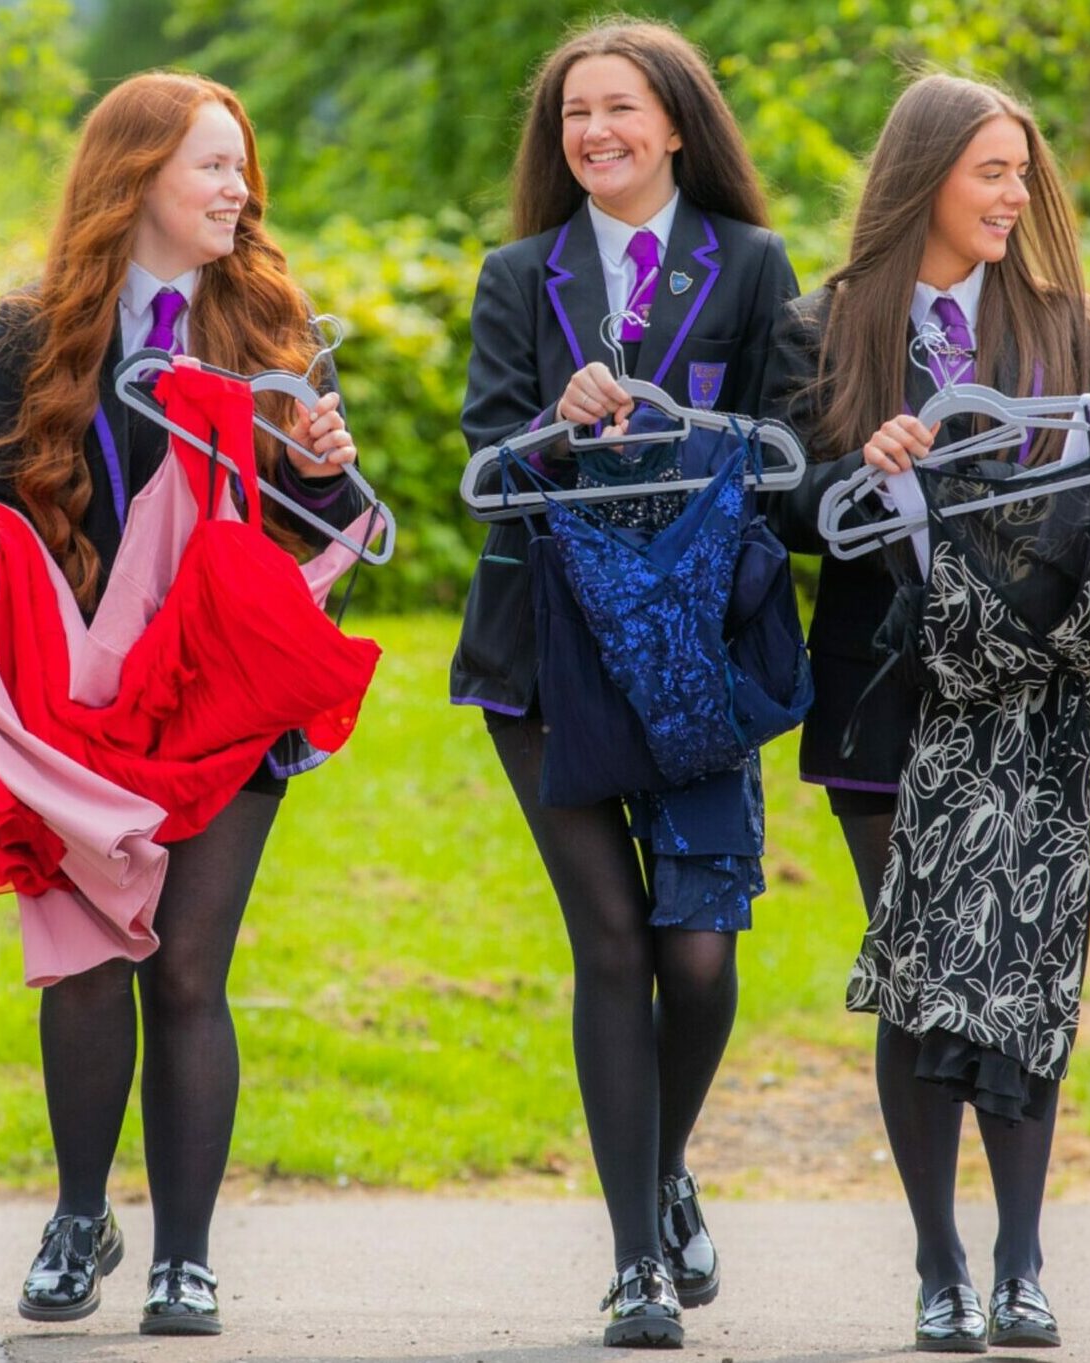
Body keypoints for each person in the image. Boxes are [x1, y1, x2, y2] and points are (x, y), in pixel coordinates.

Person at [0, 71, 366, 1337]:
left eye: (243, 168)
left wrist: (325, 475)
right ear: (135, 179)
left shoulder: (272, 321)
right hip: (74, 701)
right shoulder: (34, 331)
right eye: (211, 167)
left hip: (226, 702)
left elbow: (331, 531)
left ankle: (185, 1254)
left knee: (186, 968)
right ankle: (81, 1213)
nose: (238, 190)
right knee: (83, 971)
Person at [765, 73, 1090, 1353]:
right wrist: (847, 477)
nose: (1014, 194)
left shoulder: (1075, 327)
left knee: (1022, 963)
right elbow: (775, 495)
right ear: (924, 175)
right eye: (991, 170)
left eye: (1022, 172)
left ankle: (1024, 1261)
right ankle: (939, 1266)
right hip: (881, 693)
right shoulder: (821, 322)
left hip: (1033, 702)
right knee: (924, 978)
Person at [449, 18, 799, 1348]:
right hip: (544, 652)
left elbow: (789, 452)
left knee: (697, 957)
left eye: (620, 109)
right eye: (574, 115)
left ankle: (657, 1164)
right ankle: (637, 1258)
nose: (594, 132)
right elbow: (487, 452)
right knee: (610, 942)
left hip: (701, 647)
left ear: (676, 124)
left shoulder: (756, 266)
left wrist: (679, 424)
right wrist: (556, 424)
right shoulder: (517, 273)